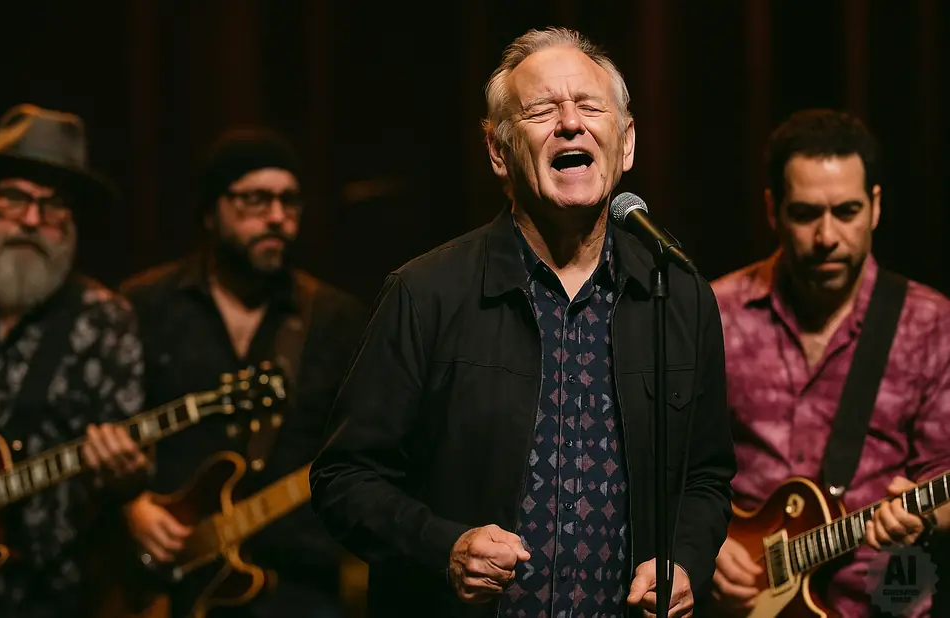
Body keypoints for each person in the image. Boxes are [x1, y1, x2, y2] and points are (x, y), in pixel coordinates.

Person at [309, 27, 735, 618]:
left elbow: (707, 477)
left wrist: (684, 560)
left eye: (590, 106)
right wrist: (444, 547)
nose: (570, 124)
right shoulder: (426, 292)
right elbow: (344, 478)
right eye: (541, 111)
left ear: (627, 141)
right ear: (497, 151)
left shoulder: (678, 293)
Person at [119, 127, 368, 618]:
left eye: (289, 202)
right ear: (211, 212)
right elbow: (109, 431)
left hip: (299, 582)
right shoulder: (144, 306)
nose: (277, 217)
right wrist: (132, 508)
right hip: (170, 581)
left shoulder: (333, 318)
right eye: (255, 200)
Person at [710, 109, 950, 617]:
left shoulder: (930, 324)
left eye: (846, 211)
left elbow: (944, 477)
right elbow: (665, 467)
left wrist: (926, 517)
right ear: (773, 210)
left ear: (876, 207)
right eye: (805, 214)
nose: (827, 237)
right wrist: (700, 546)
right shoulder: (717, 314)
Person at [0, 104, 150, 618]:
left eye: (53, 205)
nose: (32, 220)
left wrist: (124, 474)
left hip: (47, 595)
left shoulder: (106, 321)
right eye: (14, 197)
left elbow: (120, 483)